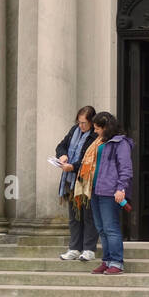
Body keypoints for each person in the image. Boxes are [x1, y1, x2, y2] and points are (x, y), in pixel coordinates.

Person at [87, 110, 134, 275]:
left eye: (97, 128)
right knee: (101, 228)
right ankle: (106, 261)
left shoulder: (121, 143)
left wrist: (121, 188)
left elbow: (126, 168)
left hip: (110, 191)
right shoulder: (101, 142)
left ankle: (117, 262)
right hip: (96, 189)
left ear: (106, 127)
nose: (95, 131)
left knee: (110, 227)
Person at [55, 106, 99, 261]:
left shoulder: (95, 136)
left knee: (88, 215)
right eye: (79, 122)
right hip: (70, 180)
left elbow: (90, 160)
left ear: (92, 122)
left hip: (85, 181)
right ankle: (74, 248)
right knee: (74, 216)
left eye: (84, 123)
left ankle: (89, 249)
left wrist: (73, 166)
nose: (81, 126)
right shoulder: (74, 131)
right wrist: (62, 156)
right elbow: (61, 146)